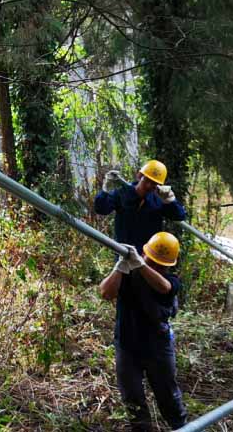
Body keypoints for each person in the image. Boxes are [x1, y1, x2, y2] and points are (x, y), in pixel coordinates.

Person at [98, 232, 188, 430]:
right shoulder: (128, 274)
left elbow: (164, 287)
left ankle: (180, 427)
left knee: (168, 396)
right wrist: (119, 267)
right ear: (144, 253)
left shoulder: (171, 281)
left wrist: (141, 265)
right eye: (151, 261)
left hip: (158, 348)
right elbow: (105, 292)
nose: (154, 266)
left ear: (167, 266)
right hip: (127, 346)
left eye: (159, 265)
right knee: (132, 399)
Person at [95, 160, 187, 252]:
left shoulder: (158, 199)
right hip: (124, 253)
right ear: (139, 176)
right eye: (146, 180)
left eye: (154, 183)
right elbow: (101, 209)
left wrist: (170, 201)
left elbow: (179, 216)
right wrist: (105, 191)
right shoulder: (122, 193)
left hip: (149, 255)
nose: (148, 185)